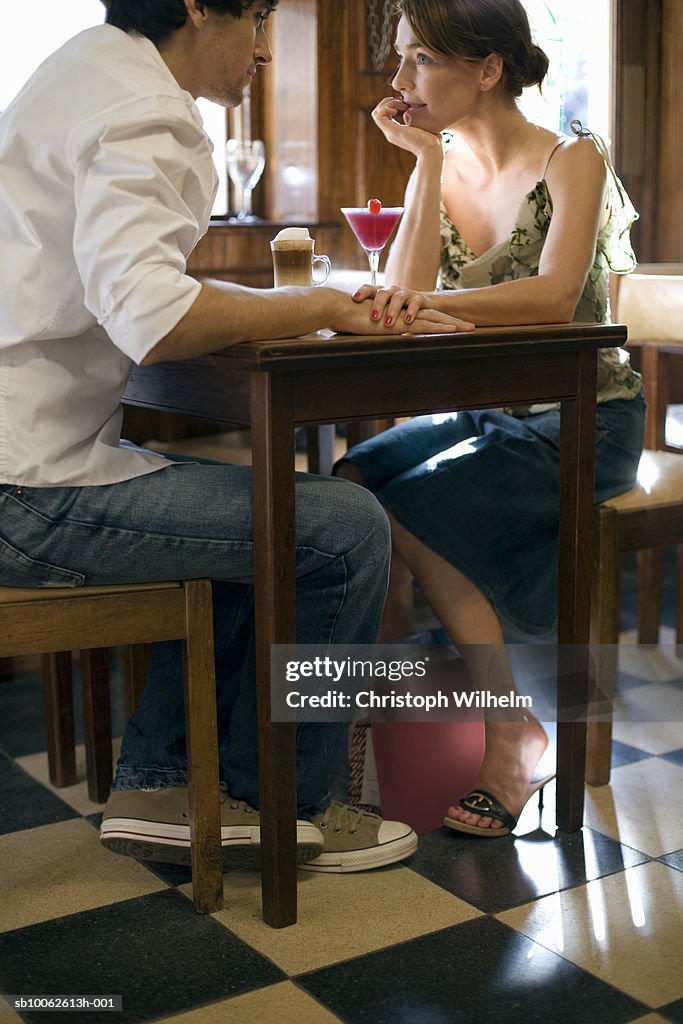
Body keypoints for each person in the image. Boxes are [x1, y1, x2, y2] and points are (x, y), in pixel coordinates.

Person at [0, 0, 473, 872]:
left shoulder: (80, 69)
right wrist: (329, 304)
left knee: (251, 517)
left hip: (22, 465)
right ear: (194, 6)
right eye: (256, 17)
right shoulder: (144, 108)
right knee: (342, 525)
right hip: (24, 491)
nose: (264, 47)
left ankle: (162, 784)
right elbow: (149, 314)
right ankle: (288, 805)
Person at [336, 0, 646, 837]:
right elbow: (404, 300)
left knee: (406, 509)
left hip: (589, 421)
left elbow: (551, 299)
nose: (400, 84)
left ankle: (510, 734)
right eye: (398, 62)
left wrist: (428, 304)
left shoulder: (570, 157)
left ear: (487, 67)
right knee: (349, 485)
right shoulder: (441, 165)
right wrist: (425, 162)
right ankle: (375, 719)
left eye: (421, 61)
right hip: (488, 417)